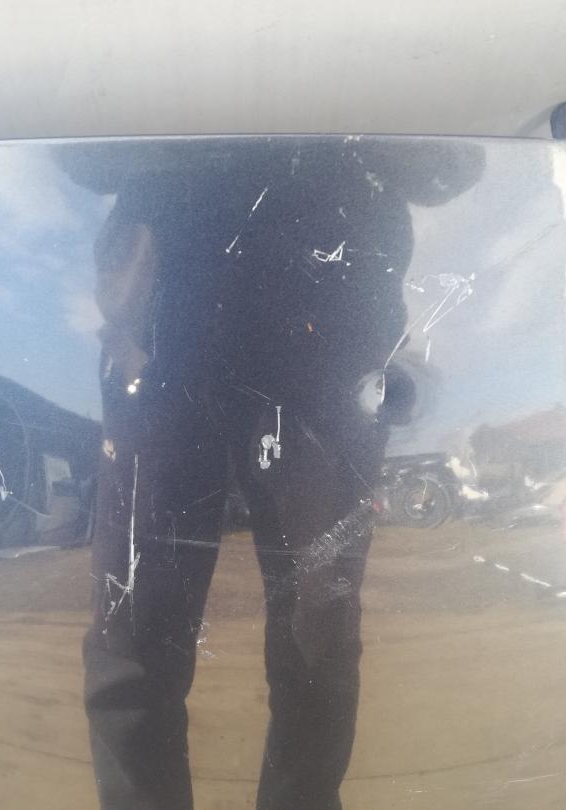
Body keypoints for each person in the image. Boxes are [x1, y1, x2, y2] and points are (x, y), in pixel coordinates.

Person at [76, 138, 482, 810]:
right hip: (165, 307)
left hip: (332, 308)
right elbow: (81, 156)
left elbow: (453, 165)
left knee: (318, 626)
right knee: (133, 621)